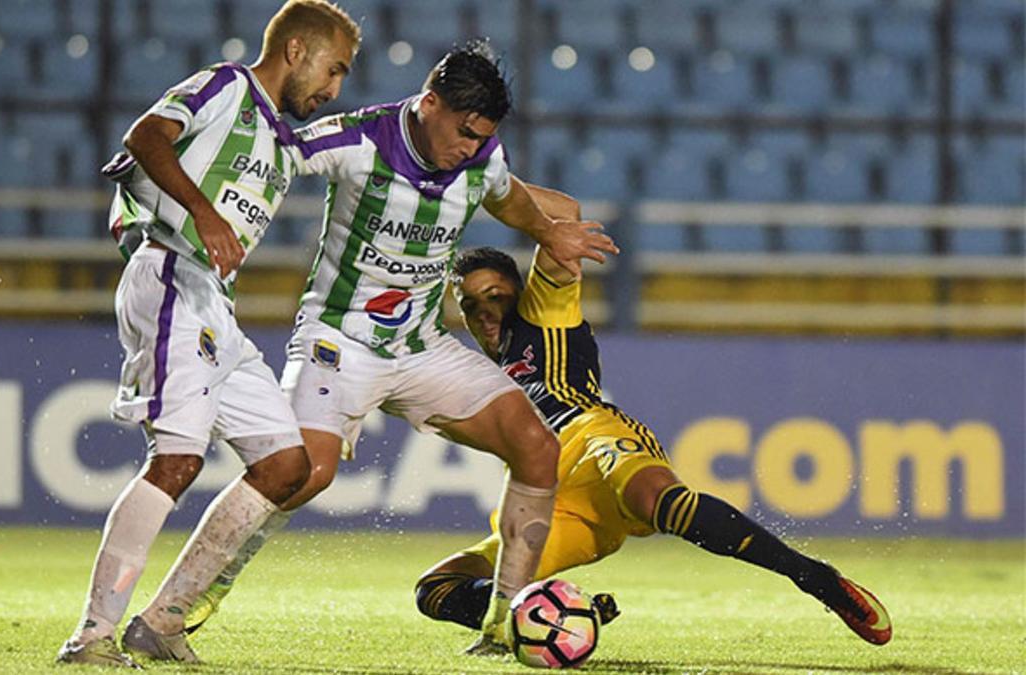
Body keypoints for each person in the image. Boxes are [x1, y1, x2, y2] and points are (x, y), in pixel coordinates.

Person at [178, 40, 620, 654]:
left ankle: (501, 625)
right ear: (428, 102)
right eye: (463, 132)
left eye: (480, 138)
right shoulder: (357, 140)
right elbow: (274, 155)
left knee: (536, 446)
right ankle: (177, 608)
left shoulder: (481, 156)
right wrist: (193, 198)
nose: (469, 148)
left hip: (420, 346)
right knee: (301, 474)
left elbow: (507, 193)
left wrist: (549, 230)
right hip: (340, 341)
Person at [411, 186, 894, 650]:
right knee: (436, 588)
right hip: (547, 498)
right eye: (472, 305)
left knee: (656, 499)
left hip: (591, 438)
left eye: (496, 296)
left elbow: (564, 210)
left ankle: (812, 576)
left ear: (520, 293)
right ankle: (560, 615)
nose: (486, 313)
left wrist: (473, 182)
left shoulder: (543, 314)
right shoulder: (479, 368)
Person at [55, 1, 361, 667]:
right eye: (333, 70)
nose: (335, 88)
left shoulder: (280, 138)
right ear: (296, 50)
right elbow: (144, 137)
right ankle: (92, 634)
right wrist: (198, 212)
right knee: (177, 458)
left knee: (287, 466)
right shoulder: (227, 85)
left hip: (213, 302)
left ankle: (161, 622)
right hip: (170, 276)